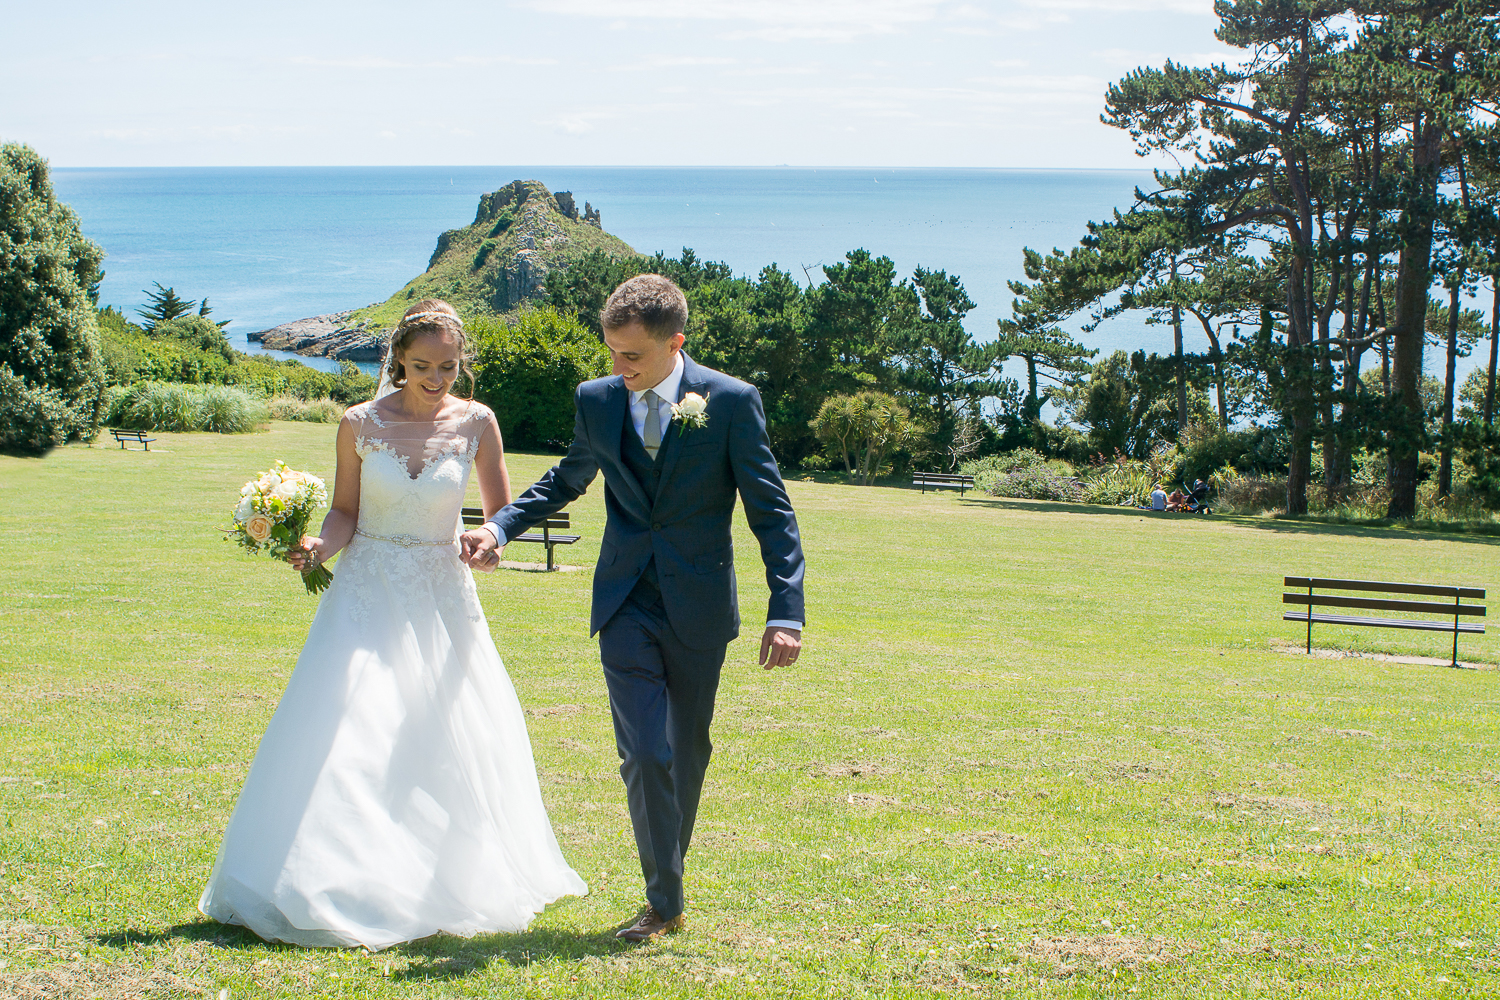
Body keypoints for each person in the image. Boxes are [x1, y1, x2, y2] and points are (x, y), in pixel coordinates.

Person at [199, 300, 586, 949]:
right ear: (398, 361)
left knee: (439, 736)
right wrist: (319, 547)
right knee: (350, 733)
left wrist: (486, 544)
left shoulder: (478, 424)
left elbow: (497, 517)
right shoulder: (358, 424)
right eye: (421, 366)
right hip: (365, 591)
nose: (435, 378)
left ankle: (442, 875)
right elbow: (345, 512)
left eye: (447, 366)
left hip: (441, 598)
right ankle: (332, 879)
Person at [461, 275, 806, 942]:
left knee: (688, 750)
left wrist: (785, 609)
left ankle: (666, 888)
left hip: (700, 605)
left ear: (675, 343)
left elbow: (772, 510)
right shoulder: (596, 399)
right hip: (625, 601)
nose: (618, 369)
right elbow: (567, 477)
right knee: (646, 752)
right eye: (611, 353)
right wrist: (499, 527)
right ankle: (664, 902)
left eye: (633, 357)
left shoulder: (731, 402)